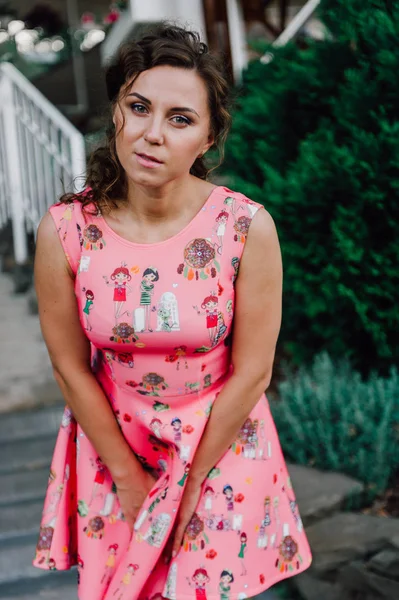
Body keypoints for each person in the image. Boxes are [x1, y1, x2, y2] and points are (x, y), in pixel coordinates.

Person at [33, 23, 312, 600]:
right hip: (116, 441)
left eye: (180, 119)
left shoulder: (245, 228)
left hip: (222, 440)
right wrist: (133, 485)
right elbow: (69, 366)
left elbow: (254, 370)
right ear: (117, 114)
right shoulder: (67, 231)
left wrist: (187, 490)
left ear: (209, 138)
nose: (152, 134)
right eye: (139, 108)